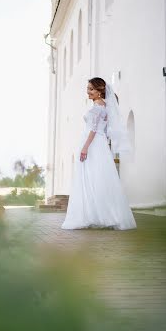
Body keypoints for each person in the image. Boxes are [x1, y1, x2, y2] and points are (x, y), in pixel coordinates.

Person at [61, 77, 137, 231]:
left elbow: (93, 130)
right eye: (88, 88)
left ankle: (93, 215)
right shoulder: (106, 106)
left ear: (100, 91)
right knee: (100, 178)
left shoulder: (97, 107)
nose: (88, 91)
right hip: (101, 145)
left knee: (90, 178)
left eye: (91, 89)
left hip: (93, 144)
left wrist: (85, 148)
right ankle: (104, 215)